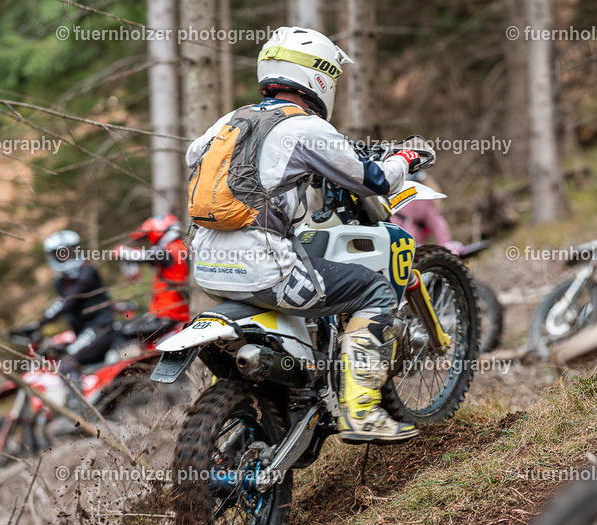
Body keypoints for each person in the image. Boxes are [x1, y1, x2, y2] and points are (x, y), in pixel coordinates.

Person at [185, 26, 432, 444]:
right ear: (320, 78)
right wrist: (406, 158)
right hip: (265, 270)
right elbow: (372, 180)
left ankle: (285, 399)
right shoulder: (306, 127)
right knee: (373, 292)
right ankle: (363, 413)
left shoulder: (230, 121)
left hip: (209, 267)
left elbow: (197, 155)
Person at [35, 229, 115, 369]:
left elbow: (68, 301)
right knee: (59, 354)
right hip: (82, 332)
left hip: (100, 327)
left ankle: (76, 391)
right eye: (62, 255)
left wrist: (39, 323)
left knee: (66, 363)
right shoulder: (60, 282)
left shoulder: (87, 272)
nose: (67, 258)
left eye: (70, 252)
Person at [113, 214, 190, 339]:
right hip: (169, 314)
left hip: (170, 316)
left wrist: (123, 251)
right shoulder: (181, 248)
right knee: (124, 326)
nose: (150, 242)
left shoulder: (172, 249)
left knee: (122, 331)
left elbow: (144, 255)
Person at [392, 171, 463, 253]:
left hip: (395, 245)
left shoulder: (393, 201)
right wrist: (446, 244)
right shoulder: (424, 200)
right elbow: (438, 224)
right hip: (412, 245)